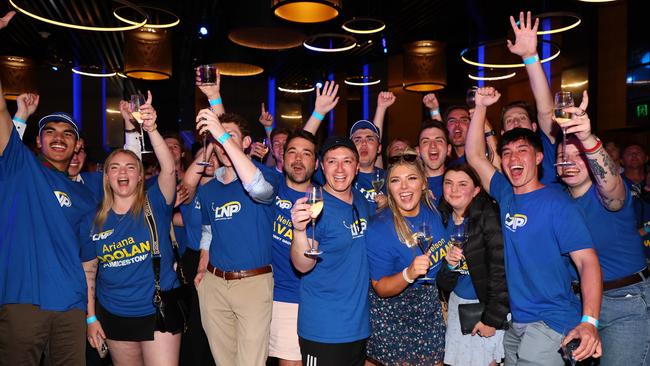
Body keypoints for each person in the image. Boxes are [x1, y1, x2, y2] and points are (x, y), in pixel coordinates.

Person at [465, 86, 602, 365]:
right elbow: (475, 157)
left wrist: (589, 321)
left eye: (522, 150)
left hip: (551, 323)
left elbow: (588, 262)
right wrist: (480, 107)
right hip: (516, 323)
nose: (514, 158)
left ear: (539, 158)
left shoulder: (558, 204)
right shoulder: (505, 193)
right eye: (507, 153)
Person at [0, 59, 97, 365]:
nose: (58, 137)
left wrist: (89, 314)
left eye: (67, 133)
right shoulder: (20, 167)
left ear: (77, 145)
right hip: (22, 300)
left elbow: (88, 260)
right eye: (50, 131)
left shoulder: (84, 193)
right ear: (38, 140)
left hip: (71, 305)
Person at [81, 92, 180, 365]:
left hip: (157, 309)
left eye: (129, 167)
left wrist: (152, 129)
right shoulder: (95, 219)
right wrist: (91, 318)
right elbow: (89, 272)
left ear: (139, 176)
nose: (122, 172)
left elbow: (169, 170)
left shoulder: (156, 203)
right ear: (106, 176)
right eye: (114, 167)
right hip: (114, 315)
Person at [554, 93, 650, 365]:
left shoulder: (609, 194)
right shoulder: (556, 201)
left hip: (626, 302)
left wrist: (587, 139)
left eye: (579, 156)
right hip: (579, 305)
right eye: (563, 156)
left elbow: (611, 188)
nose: (570, 162)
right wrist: (530, 56)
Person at [193, 110, 278, 366]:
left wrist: (219, 132)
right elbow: (207, 233)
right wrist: (201, 270)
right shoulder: (208, 190)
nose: (223, 145)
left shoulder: (265, 175)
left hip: (253, 283)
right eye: (219, 141)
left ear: (245, 143)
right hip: (214, 284)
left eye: (230, 137)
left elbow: (257, 189)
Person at [290, 136, 371, 366]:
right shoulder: (313, 206)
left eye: (347, 161)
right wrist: (298, 231)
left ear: (357, 167)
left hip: (358, 327)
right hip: (323, 329)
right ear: (322, 166)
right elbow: (303, 264)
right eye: (332, 161)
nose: (339, 169)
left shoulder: (363, 202)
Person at [365, 149, 447, 366]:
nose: (404, 187)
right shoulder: (379, 226)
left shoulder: (434, 212)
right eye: (395, 180)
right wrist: (408, 273)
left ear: (423, 183)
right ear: (388, 188)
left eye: (411, 178)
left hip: (429, 308)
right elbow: (380, 288)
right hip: (394, 315)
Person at [436, 164, 509, 366]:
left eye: (462, 184)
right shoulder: (441, 220)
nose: (454, 190)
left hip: (485, 307)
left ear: (476, 190)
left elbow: (500, 270)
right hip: (457, 306)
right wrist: (448, 265)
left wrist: (491, 319)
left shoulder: (487, 216)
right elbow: (441, 281)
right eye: (448, 183)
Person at [269, 130, 319, 366]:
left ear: (316, 163)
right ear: (282, 157)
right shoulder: (269, 185)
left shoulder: (323, 199)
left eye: (306, 153)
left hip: (308, 299)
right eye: (292, 152)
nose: (298, 159)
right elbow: (234, 148)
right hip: (269, 297)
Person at [504, 11, 561, 187]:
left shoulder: (546, 145)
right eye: (509, 120)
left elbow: (545, 110)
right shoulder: (502, 158)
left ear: (534, 127)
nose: (516, 122)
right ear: (502, 132)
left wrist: (529, 56)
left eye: (522, 118)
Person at [416, 120, 451, 205]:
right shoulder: (409, 185)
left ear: (448, 149)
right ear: (418, 151)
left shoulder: (460, 182)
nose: (432, 145)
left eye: (439, 140)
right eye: (426, 141)